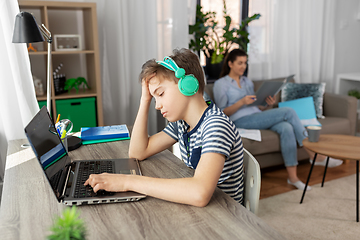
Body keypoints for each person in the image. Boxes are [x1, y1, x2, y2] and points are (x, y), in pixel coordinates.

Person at [85, 48, 244, 207]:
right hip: (202, 211)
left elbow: (200, 193)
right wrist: (145, 100)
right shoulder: (182, 124)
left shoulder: (215, 125)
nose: (157, 105)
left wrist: (128, 182)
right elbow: (138, 152)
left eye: (160, 94)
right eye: (154, 99)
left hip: (224, 218)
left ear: (187, 86)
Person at [213, 48, 342, 191]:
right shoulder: (221, 84)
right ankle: (314, 155)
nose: (243, 66)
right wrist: (241, 102)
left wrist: (267, 103)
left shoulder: (247, 82)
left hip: (256, 116)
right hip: (239, 120)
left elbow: (257, 107)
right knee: (289, 111)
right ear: (230, 64)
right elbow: (221, 112)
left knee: (286, 127)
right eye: (240, 63)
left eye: (245, 63)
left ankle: (293, 178)